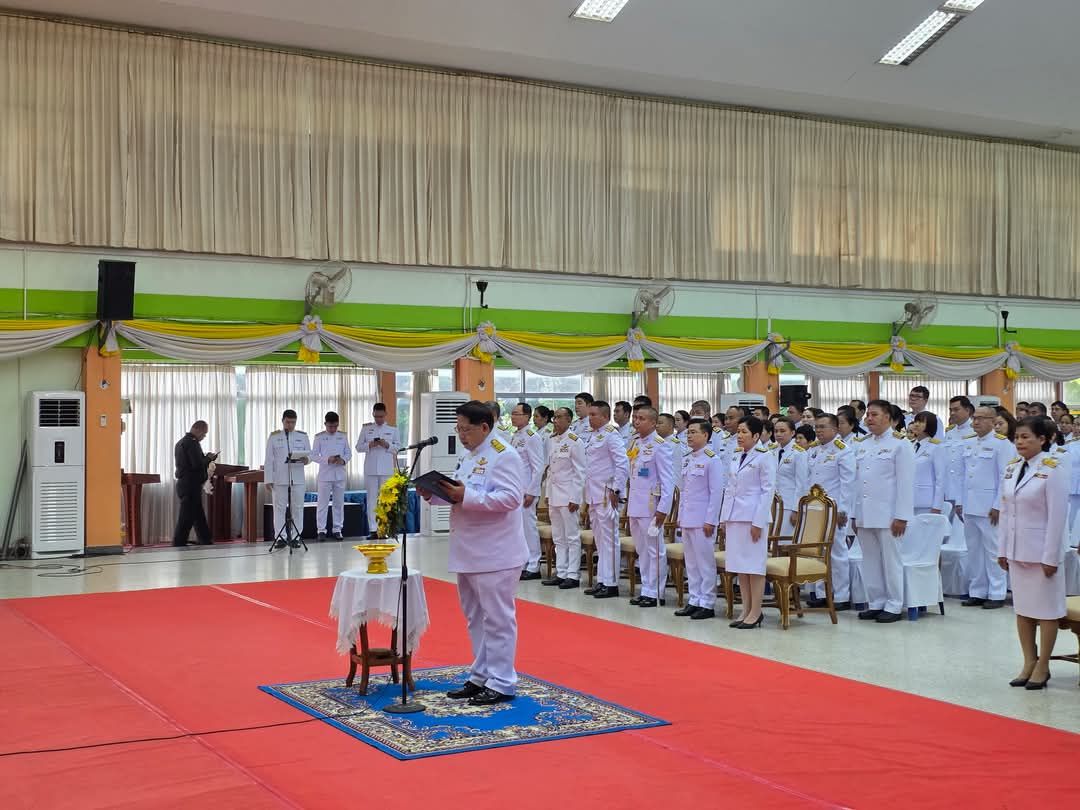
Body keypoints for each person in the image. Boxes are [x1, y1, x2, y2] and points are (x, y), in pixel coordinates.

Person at [423, 401, 527, 706]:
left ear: (484, 427)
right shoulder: (469, 457)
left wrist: (465, 495)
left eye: (466, 429)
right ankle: (481, 675)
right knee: (475, 617)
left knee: (497, 618)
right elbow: (462, 496)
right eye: (458, 429)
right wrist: (436, 495)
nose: (461, 435)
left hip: (496, 552)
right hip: (469, 549)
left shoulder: (504, 455)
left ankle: (503, 681)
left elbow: (510, 499)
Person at [997, 417, 1070, 690]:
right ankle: (1029, 661)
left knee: (1046, 612)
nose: (1020, 442)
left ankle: (1043, 665)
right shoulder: (1012, 467)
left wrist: (1050, 556)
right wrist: (1002, 549)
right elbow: (1005, 511)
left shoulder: (1053, 469)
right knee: (1024, 610)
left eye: (1026, 437)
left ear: (1043, 439)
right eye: (1017, 437)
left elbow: (1057, 517)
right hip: (1017, 550)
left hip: (1041, 553)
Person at [852, 400, 914, 624]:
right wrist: (853, 514)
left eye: (875, 415)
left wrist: (902, 516)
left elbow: (906, 484)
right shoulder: (863, 444)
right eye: (867, 415)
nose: (869, 418)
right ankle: (876, 602)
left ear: (888, 417)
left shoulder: (901, 444)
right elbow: (857, 483)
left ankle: (894, 604)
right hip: (865, 514)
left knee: (891, 561)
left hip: (889, 515)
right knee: (869, 560)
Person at [719, 415, 777, 628]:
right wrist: (724, 518)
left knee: (754, 566)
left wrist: (758, 522)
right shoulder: (736, 456)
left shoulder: (764, 456)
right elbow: (730, 490)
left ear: (755, 435)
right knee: (740, 566)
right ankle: (745, 609)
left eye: (744, 432)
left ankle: (756, 611)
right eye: (739, 432)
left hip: (752, 518)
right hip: (735, 516)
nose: (740, 436)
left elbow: (767, 491)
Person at [955, 406, 1015, 608]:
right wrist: (960, 502)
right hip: (970, 506)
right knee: (973, 550)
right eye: (975, 418)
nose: (976, 422)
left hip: (990, 507)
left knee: (993, 551)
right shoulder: (968, 442)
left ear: (992, 421)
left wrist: (999, 505)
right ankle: (978, 591)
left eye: (981, 418)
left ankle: (996, 593)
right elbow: (963, 476)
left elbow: (1005, 478)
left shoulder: (1002, 444)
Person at [673, 418, 724, 620]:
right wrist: (679, 516)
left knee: (705, 563)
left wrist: (711, 520)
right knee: (691, 563)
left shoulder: (713, 459)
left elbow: (716, 492)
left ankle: (707, 603)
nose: (690, 436)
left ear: (706, 435)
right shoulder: (687, 458)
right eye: (688, 433)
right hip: (687, 518)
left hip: (703, 519)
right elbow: (684, 491)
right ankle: (694, 599)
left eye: (694, 432)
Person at [807, 413, 856, 610]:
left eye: (823, 427)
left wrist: (842, 510)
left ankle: (841, 595)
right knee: (818, 552)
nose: (818, 431)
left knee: (837, 552)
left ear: (835, 429)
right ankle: (821, 592)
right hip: (815, 510)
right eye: (816, 427)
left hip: (834, 509)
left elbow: (848, 483)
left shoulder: (843, 451)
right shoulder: (815, 450)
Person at [626, 406, 674, 608]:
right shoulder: (634, 442)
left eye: (642, 418)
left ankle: (656, 593)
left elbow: (668, 481)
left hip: (651, 505)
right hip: (635, 504)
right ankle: (646, 588)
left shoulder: (660, 445)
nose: (637, 422)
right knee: (642, 550)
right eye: (635, 418)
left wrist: (663, 509)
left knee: (655, 550)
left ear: (653, 423)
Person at [582, 401, 629, 599]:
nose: (590, 418)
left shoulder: (611, 435)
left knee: (610, 539)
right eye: (589, 414)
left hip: (606, 493)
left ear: (604, 416)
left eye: (593, 414)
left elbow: (622, 463)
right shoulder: (592, 436)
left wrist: (616, 488)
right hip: (593, 494)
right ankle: (602, 579)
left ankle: (611, 583)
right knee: (600, 539)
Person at [542, 407, 586, 589]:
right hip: (554, 494)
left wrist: (575, 497)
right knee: (558, 536)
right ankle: (560, 572)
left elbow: (580, 471)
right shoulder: (552, 440)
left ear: (569, 420)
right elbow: (550, 469)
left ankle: (573, 574)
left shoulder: (575, 441)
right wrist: (547, 494)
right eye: (555, 417)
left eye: (560, 417)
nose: (556, 420)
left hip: (568, 495)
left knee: (572, 536)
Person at [509, 402, 546, 581]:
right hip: (515, 489)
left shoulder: (533, 437)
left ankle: (534, 564)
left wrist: (532, 491)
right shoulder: (515, 435)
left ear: (527, 416)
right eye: (512, 413)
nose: (513, 416)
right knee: (518, 529)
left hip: (526, 490)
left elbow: (538, 467)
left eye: (517, 414)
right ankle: (522, 562)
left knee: (528, 528)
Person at [265, 409, 311, 547]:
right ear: (282, 421)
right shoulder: (274, 437)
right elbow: (269, 459)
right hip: (279, 478)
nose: (290, 425)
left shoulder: (302, 436)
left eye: (293, 422)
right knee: (279, 508)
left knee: (297, 508)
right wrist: (268, 479)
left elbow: (310, 455)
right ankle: (281, 537)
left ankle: (296, 537)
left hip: (297, 478)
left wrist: (306, 459)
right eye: (288, 422)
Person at [356, 403, 401, 539]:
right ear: (373, 414)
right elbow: (358, 447)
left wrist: (387, 445)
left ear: (385, 414)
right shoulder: (366, 429)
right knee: (371, 500)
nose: (378, 419)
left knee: (386, 500)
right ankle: (373, 530)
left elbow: (398, 448)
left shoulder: (393, 430)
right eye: (376, 416)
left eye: (381, 416)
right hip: (370, 469)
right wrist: (370, 444)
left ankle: (384, 529)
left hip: (386, 470)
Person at [172, 420, 218, 547]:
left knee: (198, 515)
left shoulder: (180, 442)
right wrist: (209, 458)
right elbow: (196, 465)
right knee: (186, 517)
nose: (203, 437)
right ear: (197, 429)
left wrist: (206, 458)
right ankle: (178, 542)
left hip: (185, 483)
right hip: (190, 484)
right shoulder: (192, 443)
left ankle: (205, 539)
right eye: (203, 434)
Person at [311, 411, 352, 540]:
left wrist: (343, 460)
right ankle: (321, 530)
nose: (333, 429)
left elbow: (348, 453)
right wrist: (327, 459)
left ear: (338, 424)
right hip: (325, 474)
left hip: (339, 474)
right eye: (330, 426)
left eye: (335, 426)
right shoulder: (319, 437)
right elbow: (313, 456)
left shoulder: (343, 436)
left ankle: (337, 529)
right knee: (322, 503)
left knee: (338, 504)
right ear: (325, 424)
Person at [772, 417, 808, 534]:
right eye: (776, 431)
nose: (778, 434)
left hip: (788, 504)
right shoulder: (771, 451)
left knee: (784, 542)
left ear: (792, 433)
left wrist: (797, 509)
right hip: (771, 503)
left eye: (782, 431)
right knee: (771, 542)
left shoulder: (799, 453)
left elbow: (801, 484)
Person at [909, 412, 946, 516]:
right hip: (909, 501)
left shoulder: (936, 447)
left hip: (926, 502)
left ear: (930, 425)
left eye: (921, 422)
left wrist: (937, 506)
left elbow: (941, 479)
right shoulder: (910, 445)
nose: (916, 424)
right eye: (916, 421)